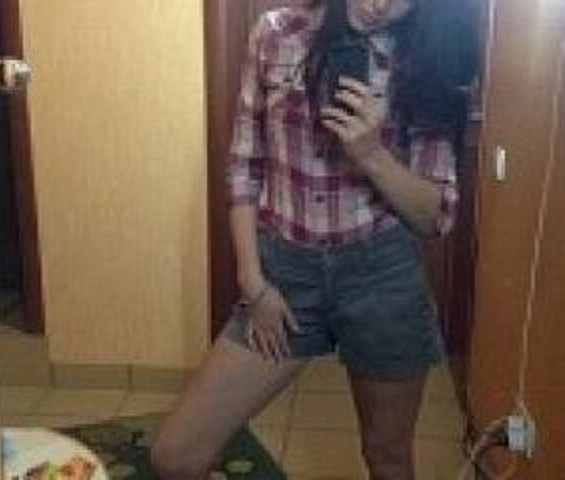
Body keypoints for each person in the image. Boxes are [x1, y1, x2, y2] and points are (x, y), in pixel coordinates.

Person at [151, 0, 478, 479]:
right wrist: (252, 283)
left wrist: (371, 154)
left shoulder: (429, 57)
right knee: (176, 455)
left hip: (382, 278)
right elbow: (244, 166)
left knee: (387, 457)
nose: (380, 3)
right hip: (284, 276)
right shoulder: (277, 33)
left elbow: (436, 215)